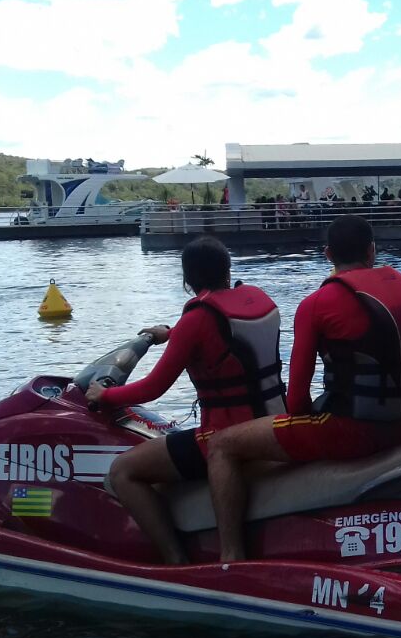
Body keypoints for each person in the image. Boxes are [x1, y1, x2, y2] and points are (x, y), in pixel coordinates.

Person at [204, 215, 401, 562]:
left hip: (347, 433)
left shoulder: (315, 304)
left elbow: (299, 399)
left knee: (222, 446)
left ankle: (231, 559)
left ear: (328, 255)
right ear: (372, 250)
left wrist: (299, 438)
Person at [85, 237, 285, 564]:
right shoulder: (258, 300)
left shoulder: (198, 319)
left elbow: (154, 387)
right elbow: (223, 336)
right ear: (227, 269)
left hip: (226, 437)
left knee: (123, 471)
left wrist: (105, 394)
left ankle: (174, 562)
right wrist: (172, 334)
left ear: (187, 280)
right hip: (272, 424)